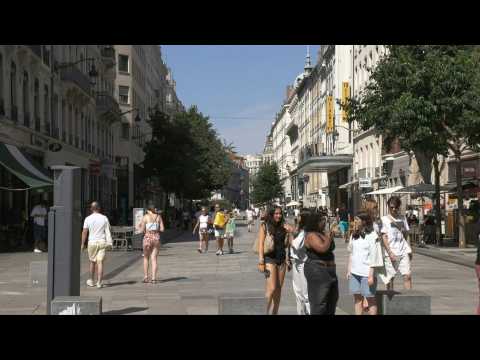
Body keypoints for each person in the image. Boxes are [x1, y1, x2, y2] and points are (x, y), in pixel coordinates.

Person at [256, 206, 292, 315]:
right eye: (276, 213)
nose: (279, 215)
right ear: (271, 214)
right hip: (269, 259)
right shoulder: (265, 226)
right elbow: (261, 244)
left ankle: (275, 312)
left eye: (280, 213)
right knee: (271, 289)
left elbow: (288, 245)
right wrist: (261, 261)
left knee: (278, 289)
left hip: (282, 259)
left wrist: (288, 259)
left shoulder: (284, 226)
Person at [303, 211, 338, 315]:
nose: (325, 222)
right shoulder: (311, 235)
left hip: (329, 271)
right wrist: (330, 236)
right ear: (315, 222)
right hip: (318, 270)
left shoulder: (322, 234)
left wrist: (329, 236)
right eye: (322, 220)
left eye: (325, 220)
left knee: (332, 300)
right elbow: (322, 248)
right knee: (319, 303)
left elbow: (330, 247)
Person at [347, 212, 381, 315]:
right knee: (357, 299)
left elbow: (374, 256)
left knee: (370, 299)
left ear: (364, 221)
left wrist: (371, 275)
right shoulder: (354, 235)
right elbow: (351, 253)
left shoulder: (372, 235)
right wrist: (349, 270)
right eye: (355, 219)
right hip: (355, 272)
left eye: (357, 220)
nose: (355, 222)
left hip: (366, 274)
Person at [380, 196, 412, 291]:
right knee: (390, 279)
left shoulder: (403, 218)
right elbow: (384, 237)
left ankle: (409, 299)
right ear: (388, 207)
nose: (393, 209)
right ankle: (390, 300)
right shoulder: (384, 219)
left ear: (399, 207)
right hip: (391, 253)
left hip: (403, 251)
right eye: (391, 207)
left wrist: (409, 249)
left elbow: (406, 235)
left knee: (407, 276)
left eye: (396, 207)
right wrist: (389, 252)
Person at [81, 202, 112, 289]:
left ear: (91, 209)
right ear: (99, 208)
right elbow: (108, 230)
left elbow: (84, 232)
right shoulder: (104, 218)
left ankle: (91, 280)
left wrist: (82, 244)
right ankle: (99, 282)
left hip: (92, 243)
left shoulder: (87, 219)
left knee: (92, 262)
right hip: (102, 242)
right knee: (100, 262)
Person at [289, 209, 311, 315]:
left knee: (305, 294)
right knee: (298, 292)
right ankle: (300, 312)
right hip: (297, 262)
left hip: (303, 263)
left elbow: (295, 245)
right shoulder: (301, 230)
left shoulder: (305, 232)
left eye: (300, 216)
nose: (297, 218)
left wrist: (290, 234)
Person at [137, 204, 165, 283]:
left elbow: (142, 230)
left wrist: (140, 227)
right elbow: (162, 229)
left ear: (148, 210)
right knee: (154, 259)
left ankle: (146, 277)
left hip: (147, 238)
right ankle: (153, 278)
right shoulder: (158, 217)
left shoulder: (145, 217)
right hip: (156, 238)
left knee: (146, 258)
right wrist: (156, 229)